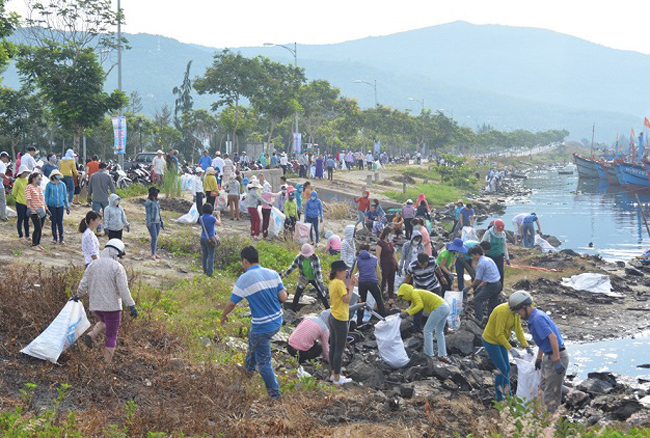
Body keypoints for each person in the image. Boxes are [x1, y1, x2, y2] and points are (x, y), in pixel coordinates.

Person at [221, 246, 287, 399]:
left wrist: (223, 316)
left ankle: (275, 395)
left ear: (244, 261)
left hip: (263, 326)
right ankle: (248, 371)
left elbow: (232, 303)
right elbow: (283, 297)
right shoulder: (272, 273)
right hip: (278, 320)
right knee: (253, 338)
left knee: (264, 362)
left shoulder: (244, 278)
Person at [73, 239, 137, 363]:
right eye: (119, 256)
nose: (119, 259)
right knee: (111, 335)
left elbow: (83, 284)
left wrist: (77, 295)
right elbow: (123, 289)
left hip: (96, 306)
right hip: (112, 308)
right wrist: (131, 305)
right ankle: (106, 365)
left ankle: (91, 335)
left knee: (104, 321)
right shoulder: (117, 267)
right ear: (115, 253)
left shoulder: (93, 264)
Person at [512, 291, 568, 413]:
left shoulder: (537, 319)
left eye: (519, 311)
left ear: (525, 307)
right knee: (543, 386)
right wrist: (539, 358)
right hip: (549, 356)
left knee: (551, 394)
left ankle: (551, 424)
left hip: (556, 355)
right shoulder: (534, 318)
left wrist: (557, 360)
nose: (519, 315)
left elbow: (552, 338)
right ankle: (549, 416)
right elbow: (543, 341)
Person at [482, 299, 531, 402]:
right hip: (491, 340)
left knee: (507, 368)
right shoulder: (502, 311)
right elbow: (498, 334)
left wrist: (526, 346)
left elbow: (518, 330)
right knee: (501, 368)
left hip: (501, 341)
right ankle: (499, 398)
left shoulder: (515, 313)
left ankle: (508, 395)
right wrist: (511, 349)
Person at [397, 284, 450, 360]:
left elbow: (419, 306)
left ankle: (429, 354)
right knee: (439, 332)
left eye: (403, 296)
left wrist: (407, 313)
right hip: (445, 307)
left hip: (439, 308)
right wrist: (403, 312)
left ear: (406, 292)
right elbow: (411, 308)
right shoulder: (415, 293)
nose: (403, 298)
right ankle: (442, 354)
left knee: (427, 330)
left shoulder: (414, 293)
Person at [328, 260, 358, 385]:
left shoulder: (332, 283)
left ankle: (332, 373)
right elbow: (347, 300)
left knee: (333, 347)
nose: (346, 273)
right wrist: (351, 286)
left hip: (333, 316)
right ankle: (337, 378)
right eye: (345, 271)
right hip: (341, 318)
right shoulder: (339, 283)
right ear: (338, 272)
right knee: (339, 349)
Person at [282, 243, 329, 311]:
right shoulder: (299, 257)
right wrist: (284, 275)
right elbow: (292, 267)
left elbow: (318, 270)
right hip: (304, 278)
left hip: (315, 278)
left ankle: (328, 309)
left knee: (322, 292)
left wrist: (320, 280)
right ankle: (293, 310)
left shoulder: (315, 257)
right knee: (297, 294)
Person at [463, 245, 502, 323]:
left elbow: (478, 279)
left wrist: (469, 287)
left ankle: (478, 319)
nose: (472, 258)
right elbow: (488, 275)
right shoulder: (488, 259)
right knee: (492, 304)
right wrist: (480, 286)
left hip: (492, 285)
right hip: (498, 283)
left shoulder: (481, 263)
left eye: (472, 255)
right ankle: (491, 321)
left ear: (477, 254)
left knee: (477, 300)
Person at [352, 244, 387, 325]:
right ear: (369, 250)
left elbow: (353, 273)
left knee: (361, 302)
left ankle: (359, 322)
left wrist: (354, 284)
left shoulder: (358, 259)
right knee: (379, 301)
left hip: (362, 283)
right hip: (373, 282)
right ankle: (383, 320)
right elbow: (378, 274)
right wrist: (379, 283)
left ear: (360, 250)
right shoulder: (374, 259)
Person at [88, 162, 116, 234]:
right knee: (106, 215)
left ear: (99, 167)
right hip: (105, 198)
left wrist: (89, 196)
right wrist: (114, 198)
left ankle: (99, 230)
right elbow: (112, 188)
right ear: (105, 168)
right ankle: (107, 230)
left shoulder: (93, 176)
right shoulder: (108, 176)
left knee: (96, 216)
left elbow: (90, 188)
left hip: (96, 198)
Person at [481, 219, 510, 286]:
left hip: (499, 255)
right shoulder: (488, 233)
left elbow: (504, 245)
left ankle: (500, 289)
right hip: (490, 255)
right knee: (489, 273)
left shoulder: (503, 234)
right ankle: (488, 287)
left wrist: (507, 258)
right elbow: (482, 244)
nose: (499, 231)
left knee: (500, 273)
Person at [44, 170, 70, 244]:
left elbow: (65, 196)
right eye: (56, 175)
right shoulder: (49, 185)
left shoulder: (62, 185)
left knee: (60, 222)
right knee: (53, 222)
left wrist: (67, 206)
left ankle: (61, 238)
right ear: (53, 176)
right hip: (52, 206)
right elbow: (46, 196)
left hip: (60, 205)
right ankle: (54, 238)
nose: (58, 176)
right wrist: (45, 206)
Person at [199, 202, 222, 277]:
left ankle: (204, 271)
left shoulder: (201, 218)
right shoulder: (212, 218)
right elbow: (219, 223)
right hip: (210, 239)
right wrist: (218, 215)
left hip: (202, 238)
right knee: (211, 256)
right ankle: (210, 273)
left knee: (204, 255)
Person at [25, 172, 46, 251]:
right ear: (33, 179)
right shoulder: (29, 187)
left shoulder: (39, 188)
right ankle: (34, 244)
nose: (40, 180)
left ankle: (38, 243)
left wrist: (46, 209)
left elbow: (42, 199)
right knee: (37, 227)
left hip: (41, 210)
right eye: (38, 178)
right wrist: (28, 208)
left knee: (40, 228)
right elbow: (28, 198)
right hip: (34, 211)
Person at [376, 227, 399, 301]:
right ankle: (380, 296)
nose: (392, 235)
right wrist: (378, 266)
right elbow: (378, 255)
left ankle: (390, 298)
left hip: (391, 264)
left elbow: (393, 253)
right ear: (386, 234)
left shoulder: (390, 243)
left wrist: (397, 263)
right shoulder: (380, 243)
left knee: (391, 281)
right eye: (391, 234)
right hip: (384, 264)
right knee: (383, 281)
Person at [11, 166, 30, 239]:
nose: (26, 173)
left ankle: (27, 235)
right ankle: (20, 235)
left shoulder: (27, 180)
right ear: (22, 172)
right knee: (20, 219)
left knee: (27, 220)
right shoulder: (17, 181)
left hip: (27, 203)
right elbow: (14, 193)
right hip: (19, 203)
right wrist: (19, 198)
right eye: (25, 172)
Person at [145, 186, 163, 260]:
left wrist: (161, 222)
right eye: (156, 193)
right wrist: (149, 223)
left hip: (157, 222)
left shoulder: (157, 202)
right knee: (154, 237)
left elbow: (158, 212)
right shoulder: (148, 203)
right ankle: (153, 253)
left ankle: (154, 252)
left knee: (155, 238)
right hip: (152, 222)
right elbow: (148, 214)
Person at [0, 151, 11, 222]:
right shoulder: (2, 164)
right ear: (3, 157)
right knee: (2, 201)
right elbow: (1, 174)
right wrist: (8, 178)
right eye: (6, 157)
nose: (7, 159)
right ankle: (3, 216)